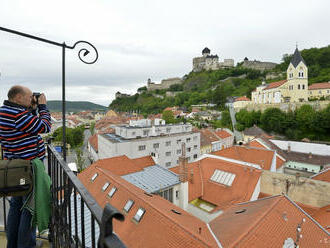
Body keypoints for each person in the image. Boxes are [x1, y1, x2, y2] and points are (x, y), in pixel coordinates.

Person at [0, 85, 51, 248]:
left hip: (12, 165)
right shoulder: (18, 115)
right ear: (18, 98)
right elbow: (44, 127)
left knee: (16, 207)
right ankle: (26, 245)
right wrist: (42, 107)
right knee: (29, 208)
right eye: (29, 97)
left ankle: (13, 243)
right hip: (28, 167)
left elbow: (26, 128)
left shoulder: (3, 113)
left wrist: (32, 109)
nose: (32, 99)